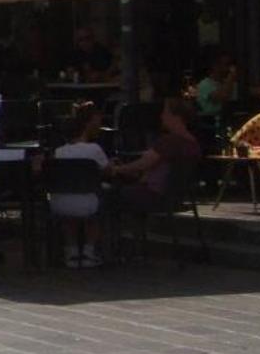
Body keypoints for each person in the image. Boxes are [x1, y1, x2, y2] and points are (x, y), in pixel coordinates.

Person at [110, 96, 201, 224]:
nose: (161, 116)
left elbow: (143, 164)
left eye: (165, 113)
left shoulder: (169, 142)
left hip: (156, 196)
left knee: (110, 195)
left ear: (176, 116)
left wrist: (118, 169)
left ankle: (110, 234)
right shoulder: (193, 144)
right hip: (176, 197)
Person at [50, 101, 109, 268]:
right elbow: (108, 171)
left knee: (69, 207)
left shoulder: (58, 152)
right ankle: (89, 251)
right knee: (100, 199)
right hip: (88, 203)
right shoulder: (94, 149)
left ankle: (71, 252)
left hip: (60, 203)